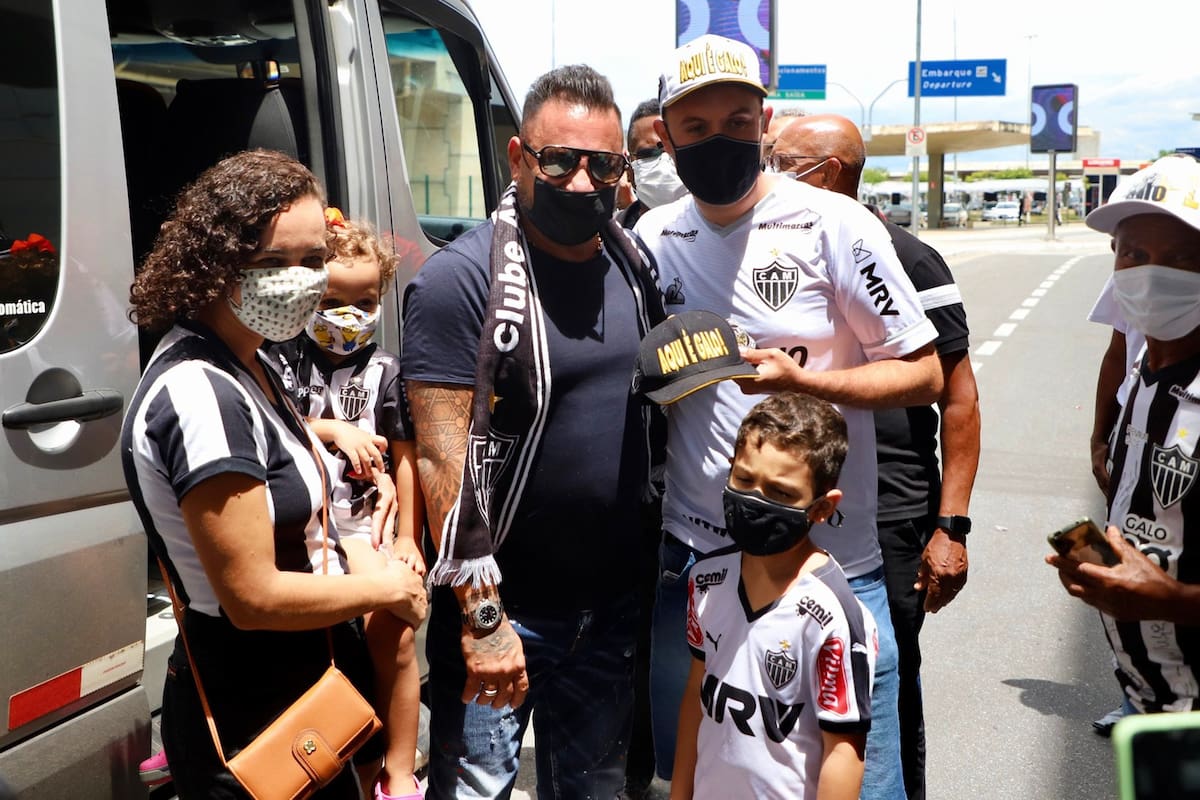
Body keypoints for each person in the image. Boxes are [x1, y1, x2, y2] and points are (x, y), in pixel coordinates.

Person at [634, 35, 942, 800]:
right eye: (696, 129)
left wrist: (811, 383)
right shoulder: (651, 237)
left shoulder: (836, 225)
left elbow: (926, 372)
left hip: (831, 567)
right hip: (697, 567)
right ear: (667, 136)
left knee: (854, 781)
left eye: (737, 122)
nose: (719, 141)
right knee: (707, 773)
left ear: (765, 124)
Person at [121, 148, 428, 799]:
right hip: (251, 716)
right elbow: (253, 596)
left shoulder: (251, 364)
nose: (299, 280)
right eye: (271, 264)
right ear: (215, 263)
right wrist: (385, 592)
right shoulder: (201, 393)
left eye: (313, 259)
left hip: (299, 702)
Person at [401, 64, 665, 799]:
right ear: (519, 159)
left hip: (609, 612)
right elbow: (441, 458)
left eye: (603, 165)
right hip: (505, 612)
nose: (582, 183)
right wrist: (484, 622)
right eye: (559, 161)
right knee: (475, 790)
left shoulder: (632, 263)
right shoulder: (462, 281)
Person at [771, 114, 981, 800]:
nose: (767, 173)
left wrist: (950, 527)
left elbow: (958, 401)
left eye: (782, 161)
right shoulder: (774, 245)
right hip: (802, 503)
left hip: (889, 511)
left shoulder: (910, 259)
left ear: (828, 174)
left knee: (883, 677)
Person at [267, 210, 425, 800]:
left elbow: (406, 458)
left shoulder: (386, 370)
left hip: (361, 525)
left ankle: (401, 771)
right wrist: (332, 430)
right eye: (332, 298)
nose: (346, 316)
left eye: (363, 302)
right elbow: (270, 425)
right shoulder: (280, 359)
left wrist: (409, 537)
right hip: (298, 528)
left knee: (396, 632)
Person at [1047, 153, 1200, 715]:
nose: (1152, 275)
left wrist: (1178, 602)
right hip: (1155, 701)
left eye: (1183, 257)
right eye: (1134, 254)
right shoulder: (1145, 377)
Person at [672, 392, 875, 800]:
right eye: (744, 480)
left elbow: (843, 752)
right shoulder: (706, 581)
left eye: (781, 494)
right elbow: (697, 696)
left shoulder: (832, 618)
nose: (755, 500)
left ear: (821, 508)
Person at [620, 98, 688, 230]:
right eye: (649, 154)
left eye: (673, 149)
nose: (664, 161)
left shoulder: (725, 231)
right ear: (629, 168)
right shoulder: (610, 239)